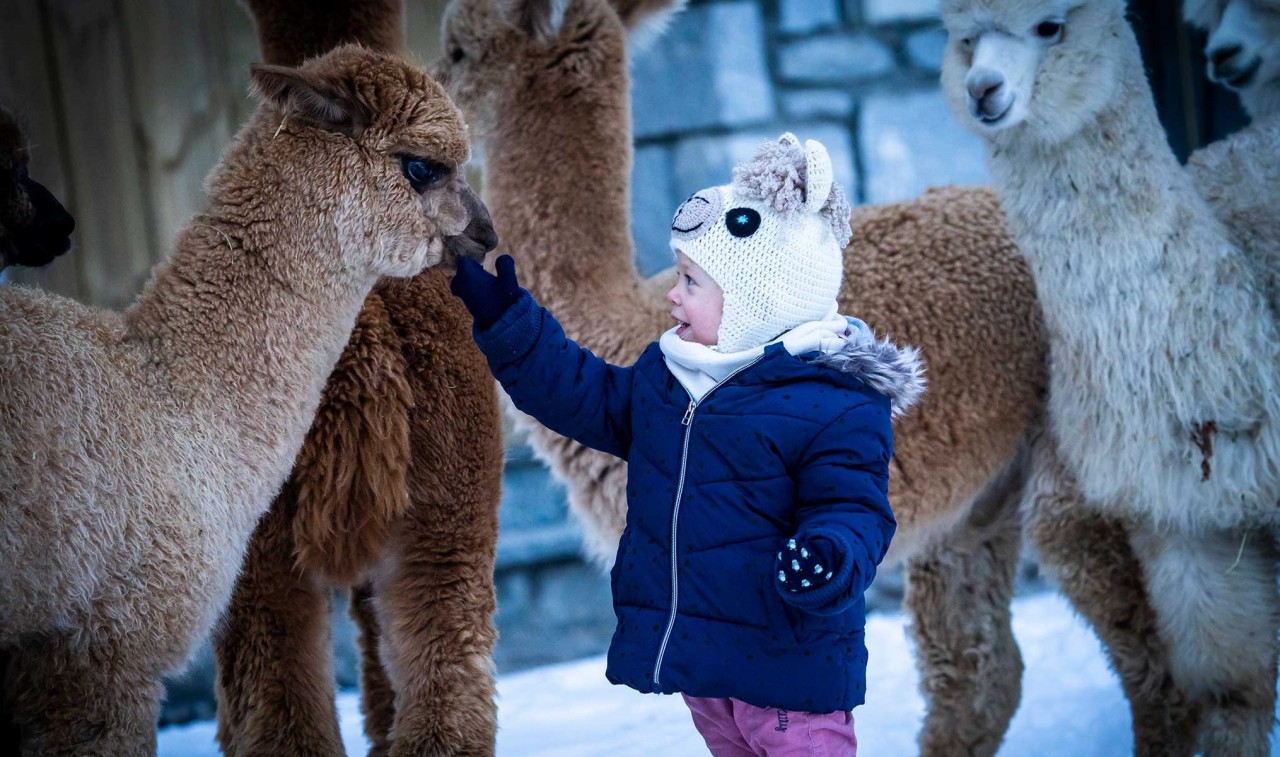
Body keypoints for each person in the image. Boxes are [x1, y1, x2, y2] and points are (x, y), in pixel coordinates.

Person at [451, 133, 924, 756]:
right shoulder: (671, 378)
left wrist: (829, 557)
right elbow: (584, 395)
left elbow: (855, 509)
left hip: (789, 671)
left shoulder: (833, 402)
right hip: (708, 662)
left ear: (760, 299)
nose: (672, 294)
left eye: (692, 281)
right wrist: (509, 322)